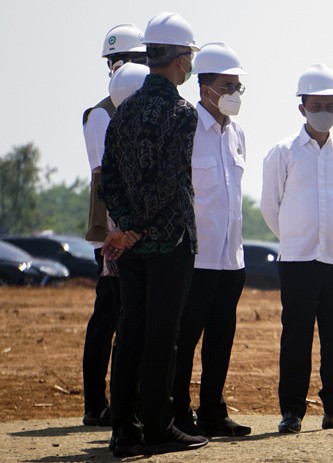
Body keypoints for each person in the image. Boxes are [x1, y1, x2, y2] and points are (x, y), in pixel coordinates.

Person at [100, 11, 208, 457]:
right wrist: (140, 228)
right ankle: (159, 427)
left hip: (133, 247)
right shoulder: (182, 112)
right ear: (180, 60)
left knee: (130, 334)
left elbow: (109, 179)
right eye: (189, 59)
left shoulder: (122, 112)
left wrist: (125, 229)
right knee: (164, 336)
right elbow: (169, 182)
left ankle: (125, 430)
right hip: (168, 242)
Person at [260, 63, 333, 434]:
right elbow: (270, 206)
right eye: (315, 105)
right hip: (298, 259)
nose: (323, 111)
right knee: (296, 336)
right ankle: (291, 412)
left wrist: (329, 233)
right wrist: (294, 236)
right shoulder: (283, 151)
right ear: (301, 107)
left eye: (330, 105)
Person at [171, 41, 251, 438]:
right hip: (195, 258)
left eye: (239, 86)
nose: (235, 94)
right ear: (205, 88)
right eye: (228, 86)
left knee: (221, 338)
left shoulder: (237, 133)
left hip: (230, 258)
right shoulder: (186, 127)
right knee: (184, 340)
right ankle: (178, 413)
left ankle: (212, 412)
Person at [81, 23, 146, 428]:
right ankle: (96, 403)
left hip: (131, 230)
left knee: (123, 315)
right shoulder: (101, 114)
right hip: (113, 231)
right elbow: (105, 178)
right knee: (110, 316)